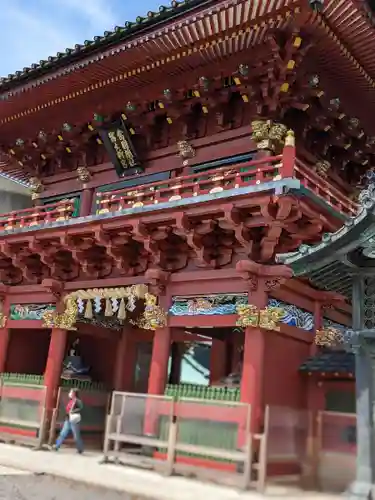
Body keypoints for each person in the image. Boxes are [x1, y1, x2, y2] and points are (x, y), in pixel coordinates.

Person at [53, 388, 84, 454]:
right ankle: (57, 445)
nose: (69, 393)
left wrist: (73, 411)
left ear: (74, 393)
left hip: (74, 420)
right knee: (63, 433)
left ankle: (80, 449)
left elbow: (81, 408)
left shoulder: (77, 401)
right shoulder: (71, 400)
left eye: (71, 392)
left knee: (76, 436)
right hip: (68, 419)